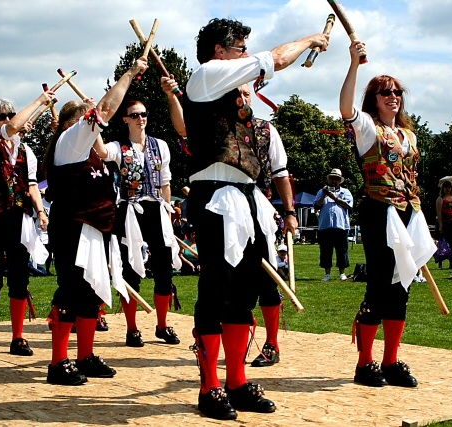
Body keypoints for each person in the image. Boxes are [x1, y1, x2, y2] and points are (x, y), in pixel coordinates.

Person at [183, 18, 327, 420]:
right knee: (216, 292)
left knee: (245, 294)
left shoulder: (238, 101)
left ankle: (237, 382)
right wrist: (311, 39)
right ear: (219, 50)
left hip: (247, 199)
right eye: (240, 48)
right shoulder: (205, 77)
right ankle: (209, 387)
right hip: (216, 197)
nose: (246, 54)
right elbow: (276, 59)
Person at [41, 58, 148, 386]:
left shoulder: (91, 152)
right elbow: (104, 109)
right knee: (71, 292)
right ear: (72, 124)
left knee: (91, 295)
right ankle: (59, 362)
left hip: (98, 226)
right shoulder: (70, 141)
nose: (94, 124)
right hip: (74, 225)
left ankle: (84, 356)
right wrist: (130, 74)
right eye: (86, 119)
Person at [340, 40, 436, 388]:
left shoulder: (409, 134)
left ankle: (391, 361)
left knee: (402, 286)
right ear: (374, 99)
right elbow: (346, 106)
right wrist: (354, 64)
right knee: (380, 284)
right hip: (379, 210)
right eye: (384, 92)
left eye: (396, 92)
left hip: (409, 211)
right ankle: (365, 363)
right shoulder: (367, 128)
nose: (392, 96)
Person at [0, 91, 54, 361]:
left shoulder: (25, 150)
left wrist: (41, 212)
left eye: (10, 114)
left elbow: (31, 185)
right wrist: (39, 102)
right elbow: (13, 128)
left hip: (19, 219)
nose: (6, 119)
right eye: (0, 116)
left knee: (20, 278)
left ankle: (18, 336)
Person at [108, 94, 182, 348]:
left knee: (164, 269)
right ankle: (132, 329)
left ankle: (162, 324)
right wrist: (95, 120)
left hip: (156, 210)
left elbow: (165, 181)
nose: (141, 119)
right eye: (135, 115)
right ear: (125, 119)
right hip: (129, 213)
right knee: (130, 269)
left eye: (144, 114)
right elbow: (100, 151)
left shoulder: (160, 145)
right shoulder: (118, 147)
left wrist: (168, 209)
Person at [314, 168, 353, 281]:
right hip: (325, 226)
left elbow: (348, 206)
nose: (334, 181)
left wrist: (334, 197)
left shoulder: (345, 192)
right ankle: (327, 274)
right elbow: (316, 205)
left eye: (336, 179)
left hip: (341, 226)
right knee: (326, 251)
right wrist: (324, 195)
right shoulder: (322, 191)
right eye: (332, 179)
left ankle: (342, 273)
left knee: (342, 250)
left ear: (340, 181)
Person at [435, 181, 452, 269]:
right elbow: (439, 213)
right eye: (446, 187)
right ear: (443, 189)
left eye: (449, 187)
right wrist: (440, 225)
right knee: (442, 243)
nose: (447, 189)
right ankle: (440, 263)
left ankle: (451, 263)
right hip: (444, 223)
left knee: (451, 244)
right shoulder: (440, 199)